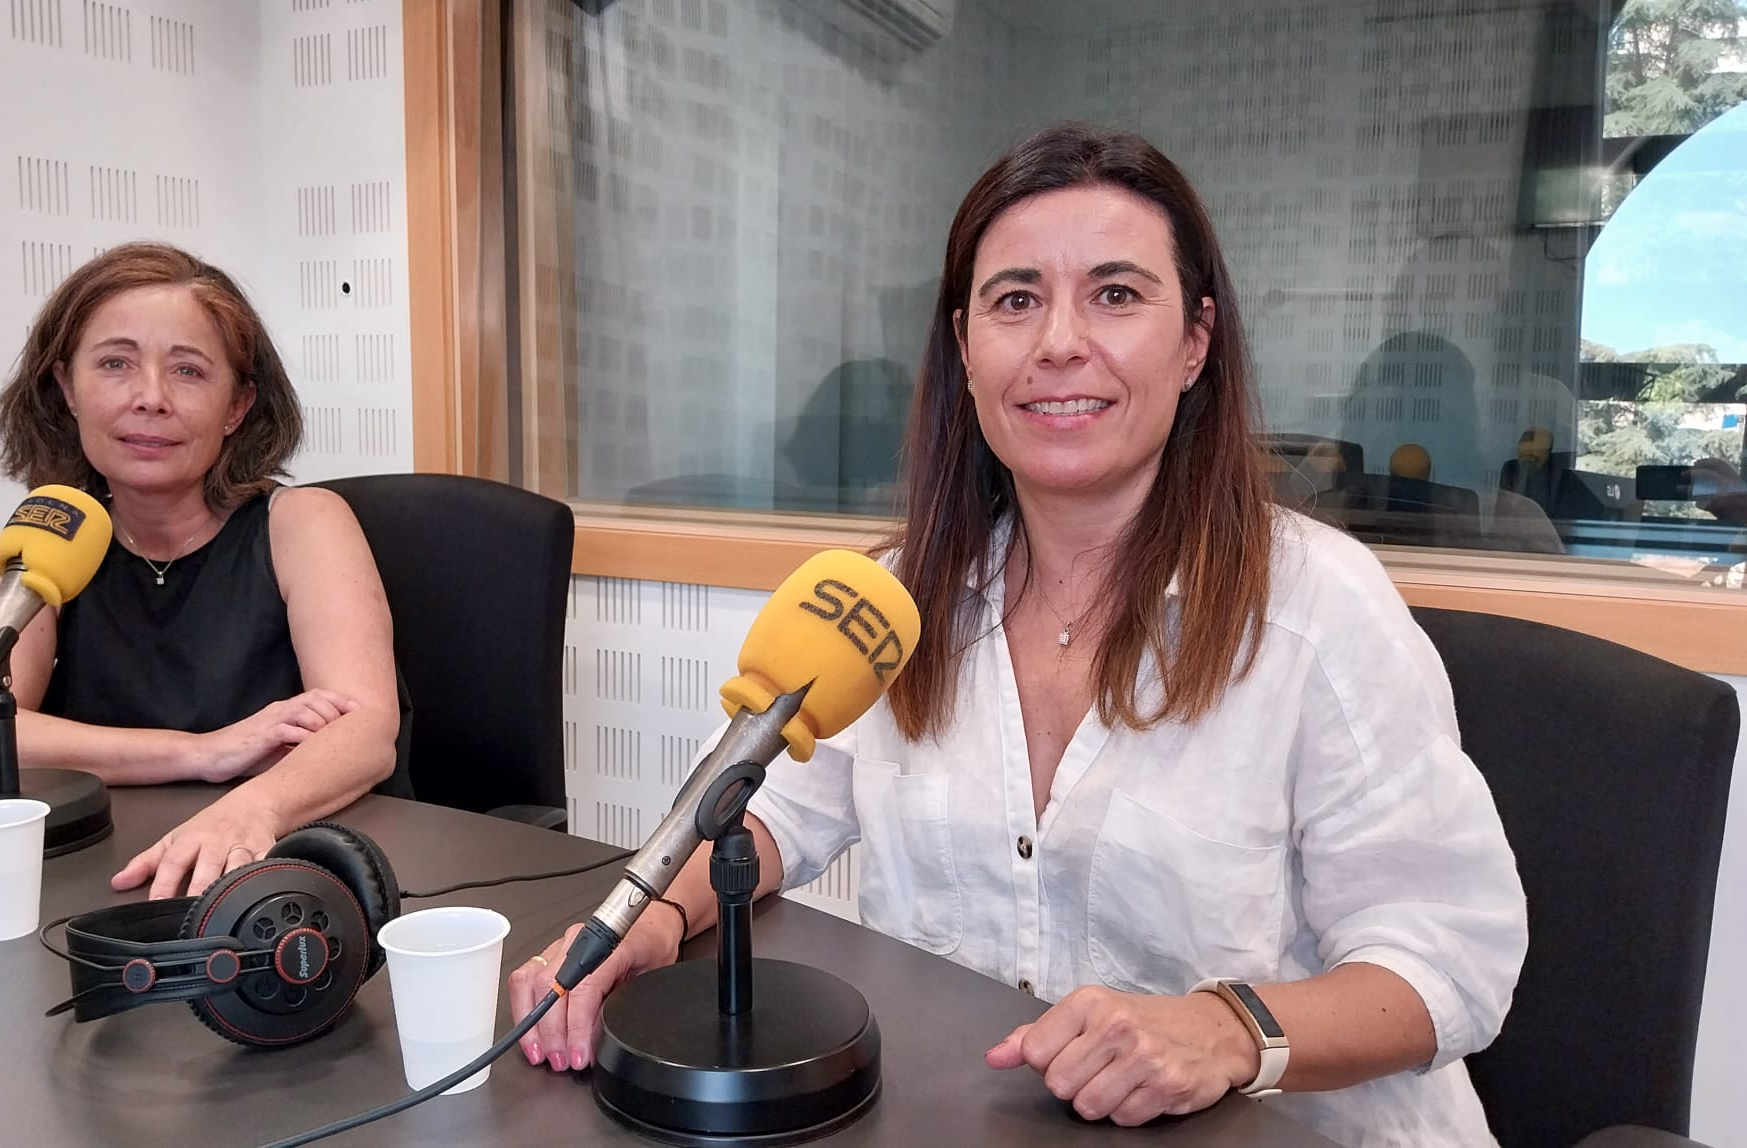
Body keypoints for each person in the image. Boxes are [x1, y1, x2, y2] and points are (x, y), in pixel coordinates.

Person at [507, 124, 1526, 1148]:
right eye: (1016, 299)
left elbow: (1450, 961)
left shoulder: (1319, 609)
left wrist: (1227, 1027)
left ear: (1196, 340)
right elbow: (771, 810)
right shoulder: (898, 600)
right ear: (964, 343)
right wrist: (649, 915)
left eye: (1117, 294)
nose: (1059, 343)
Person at [0, 242, 405, 900]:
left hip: (285, 879)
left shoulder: (304, 522)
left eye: (188, 371)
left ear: (237, 406)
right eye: (115, 364)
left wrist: (252, 807)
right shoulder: (52, 531)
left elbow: (365, 733)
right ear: (66, 387)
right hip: (102, 882)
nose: (150, 397)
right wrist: (207, 752)